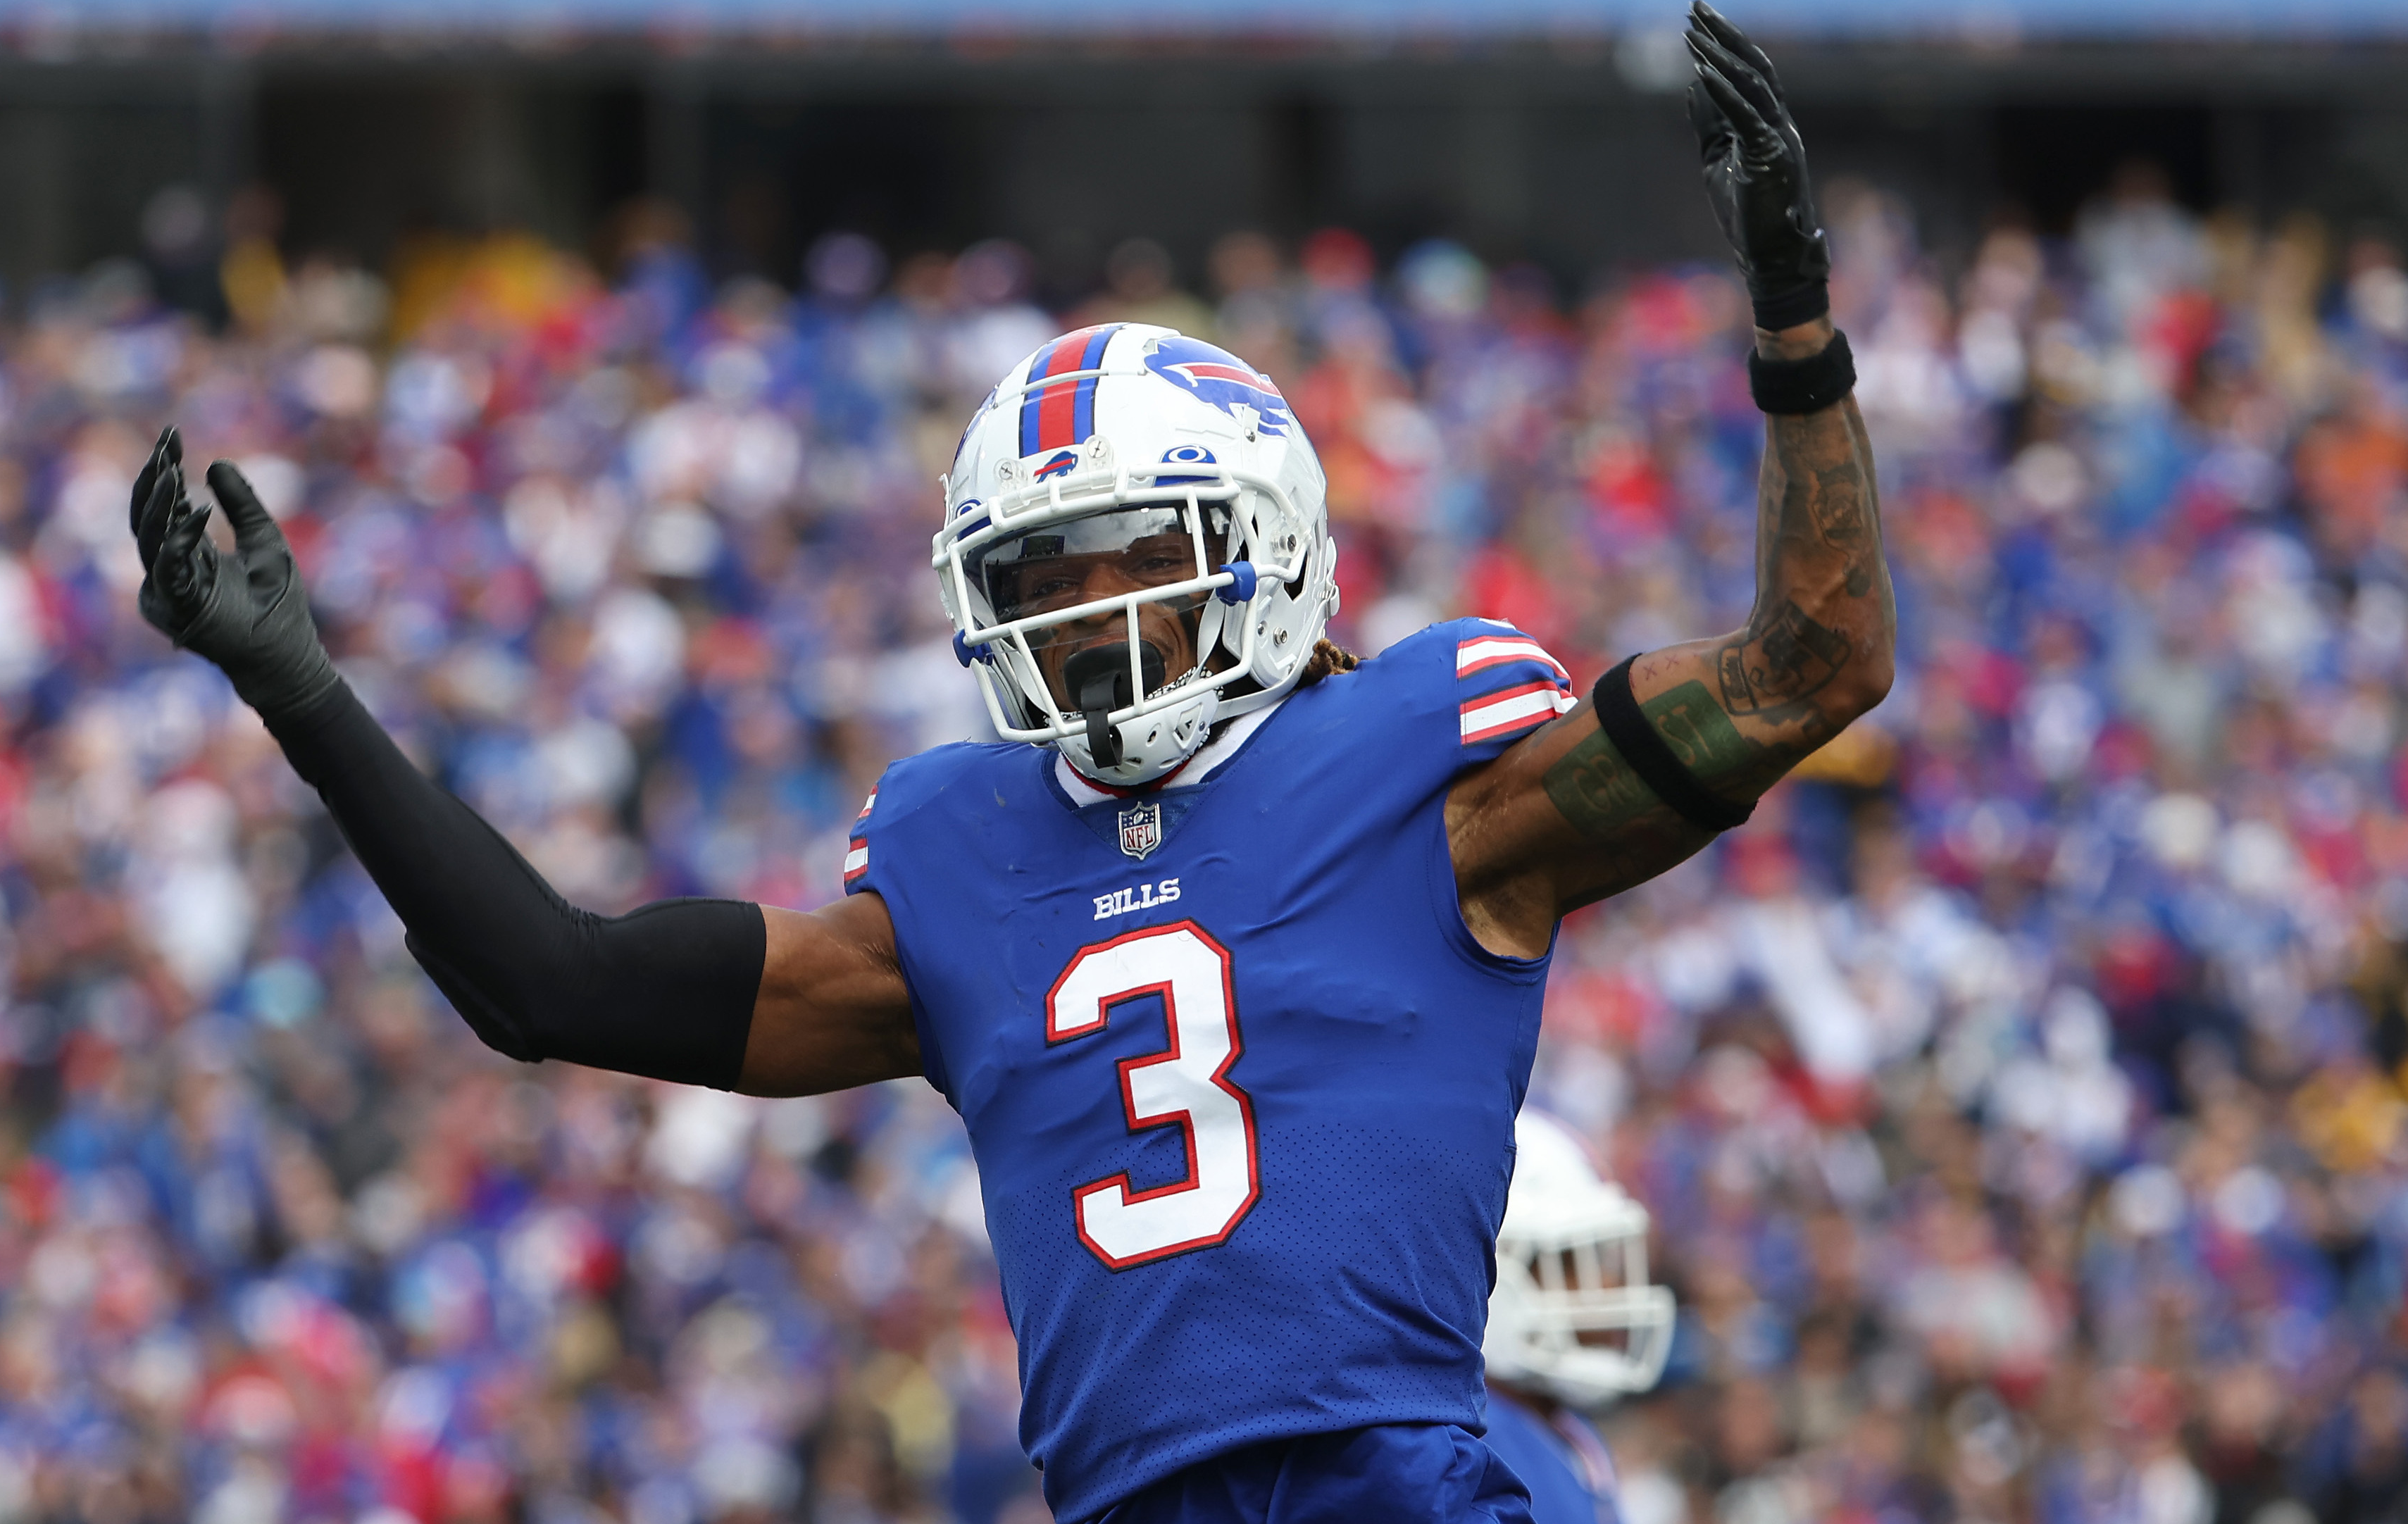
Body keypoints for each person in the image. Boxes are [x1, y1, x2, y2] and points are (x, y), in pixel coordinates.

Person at [125, 6, 1888, 1518]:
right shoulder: (960, 867)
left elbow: (1811, 667)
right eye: (1049, 580)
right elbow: (545, 981)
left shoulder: (1432, 778)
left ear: (1263, 545)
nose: (1098, 618)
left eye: (1140, 558)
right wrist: (302, 694)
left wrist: (1794, 331)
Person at [1479, 1111, 1679, 1524]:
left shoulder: (1565, 1428)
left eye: (1603, 1260)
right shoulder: (1472, 1446)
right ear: (1489, 1274)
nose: (1606, 1285)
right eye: (1568, 1261)